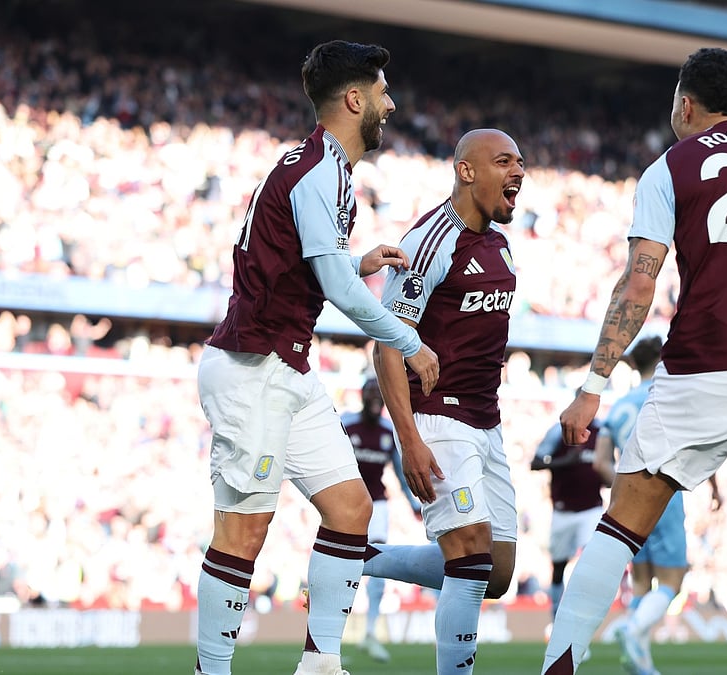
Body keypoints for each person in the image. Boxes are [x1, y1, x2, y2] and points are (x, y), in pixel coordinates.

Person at [543, 47, 727, 675]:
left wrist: (593, 386)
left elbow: (638, 285)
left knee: (621, 526)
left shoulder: (670, 168)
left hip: (704, 363)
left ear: (685, 103)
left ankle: (559, 664)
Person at [194, 40, 439, 675]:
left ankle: (320, 664)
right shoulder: (319, 172)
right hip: (253, 368)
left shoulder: (319, 165)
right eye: (383, 92)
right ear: (355, 100)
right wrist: (409, 342)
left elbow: (305, 268)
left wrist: (356, 262)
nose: (391, 104)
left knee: (352, 510)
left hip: (286, 369)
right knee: (242, 532)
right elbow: (335, 289)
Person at [368, 128, 525, 675]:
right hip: (437, 416)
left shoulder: (500, 245)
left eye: (520, 163)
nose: (518, 172)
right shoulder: (431, 239)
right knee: (471, 553)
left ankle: (360, 557)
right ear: (466, 171)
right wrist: (409, 439)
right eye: (503, 161)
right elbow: (387, 345)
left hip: (486, 421)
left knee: (496, 572)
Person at [593, 335, 722, 675]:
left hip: (626, 502)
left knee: (641, 581)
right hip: (664, 493)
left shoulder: (619, 406)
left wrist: (627, 488)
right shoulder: (668, 400)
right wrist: (714, 487)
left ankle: (640, 660)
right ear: (662, 360)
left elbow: (600, 462)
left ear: (634, 365)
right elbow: (700, 445)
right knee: (671, 581)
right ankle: (633, 629)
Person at [344, 377, 422, 663]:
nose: (376, 399)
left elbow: (400, 472)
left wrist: (413, 503)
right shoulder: (347, 425)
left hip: (377, 503)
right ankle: (331, 636)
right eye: (371, 393)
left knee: (376, 560)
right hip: (347, 502)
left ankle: (370, 632)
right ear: (362, 396)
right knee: (343, 563)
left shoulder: (388, 431)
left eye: (380, 394)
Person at [529, 418, 605, 624]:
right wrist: (565, 462)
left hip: (592, 509)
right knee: (559, 566)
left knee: (590, 558)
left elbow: (607, 465)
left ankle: (582, 614)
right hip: (563, 511)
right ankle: (556, 615)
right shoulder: (559, 431)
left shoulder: (602, 431)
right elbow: (535, 463)